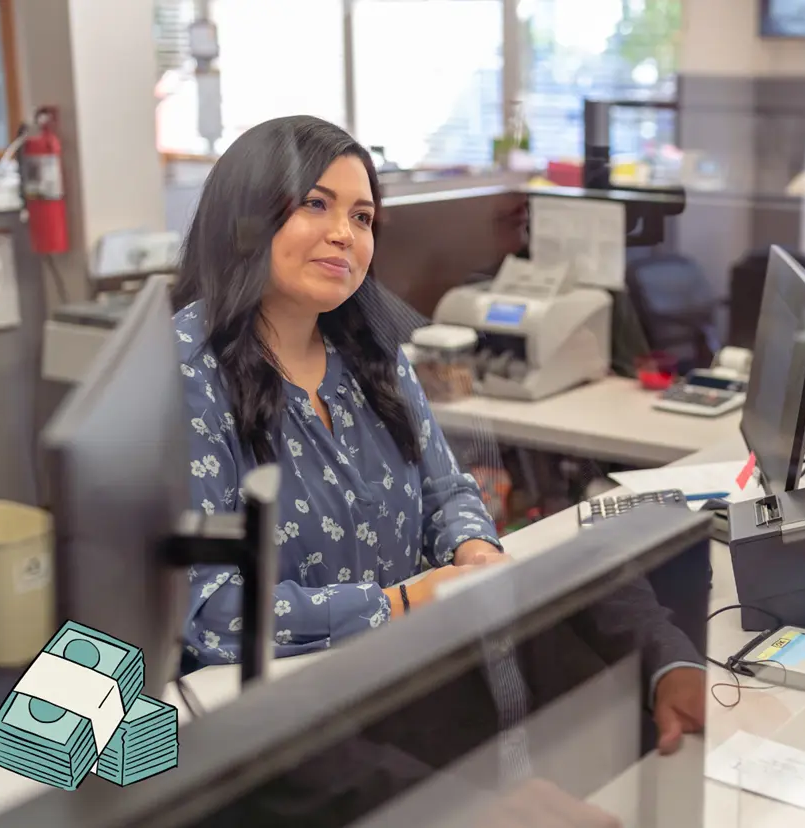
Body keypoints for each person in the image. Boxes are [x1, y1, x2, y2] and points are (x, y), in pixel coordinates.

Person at [172, 114, 704, 752]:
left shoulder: (369, 350)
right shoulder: (186, 375)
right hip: (286, 722)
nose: (344, 234)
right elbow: (208, 610)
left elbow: (447, 492)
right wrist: (398, 604)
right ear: (249, 216)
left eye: (363, 217)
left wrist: (473, 550)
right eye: (317, 204)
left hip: (404, 673)